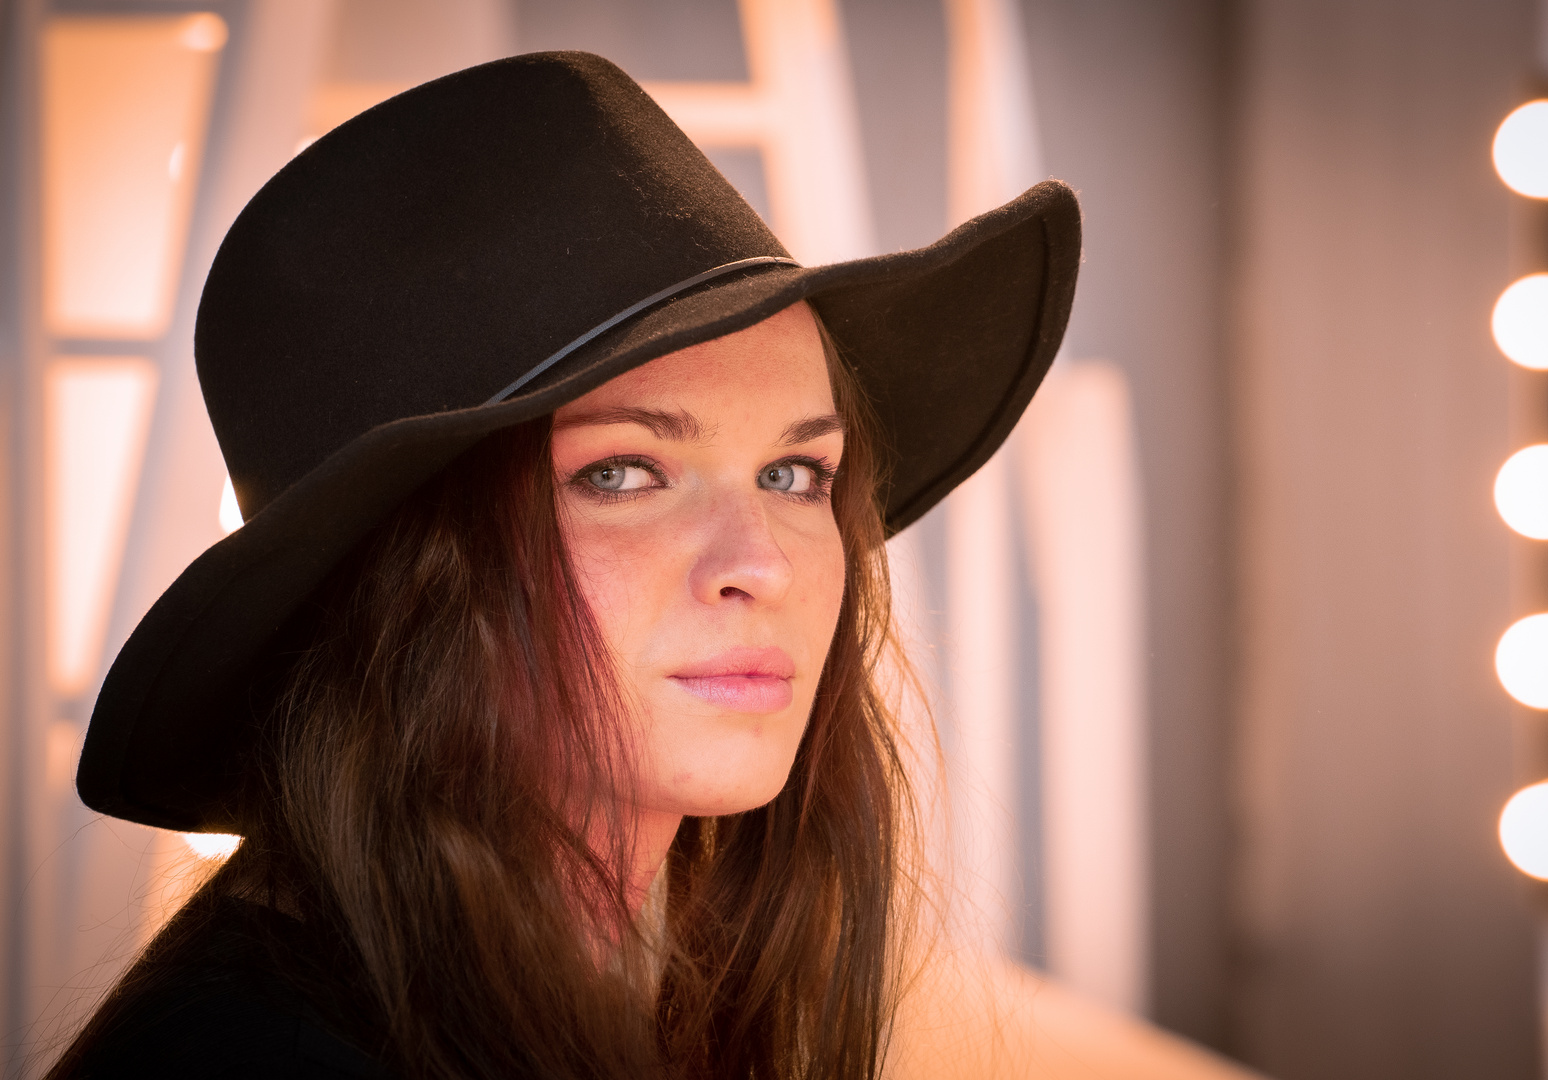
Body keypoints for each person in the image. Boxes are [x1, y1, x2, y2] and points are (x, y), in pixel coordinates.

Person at [52, 51, 1079, 1080]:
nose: (761, 565)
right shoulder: (253, 1058)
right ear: (404, 580)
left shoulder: (634, 999)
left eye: (796, 472)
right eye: (624, 473)